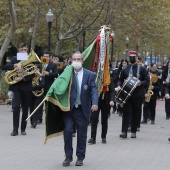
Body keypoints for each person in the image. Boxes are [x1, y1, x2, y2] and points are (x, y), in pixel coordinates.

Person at [62, 51, 98, 167]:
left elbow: (94, 91)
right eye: (75, 59)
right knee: (67, 131)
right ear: (71, 61)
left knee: (82, 135)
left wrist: (95, 103)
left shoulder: (90, 75)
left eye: (79, 59)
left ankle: (80, 157)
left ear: (82, 61)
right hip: (69, 109)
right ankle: (68, 156)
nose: (77, 61)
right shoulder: (67, 74)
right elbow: (59, 87)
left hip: (82, 110)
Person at [3, 42, 34, 136]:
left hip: (26, 87)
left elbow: (32, 73)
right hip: (16, 87)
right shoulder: (14, 59)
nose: (24, 51)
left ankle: (23, 129)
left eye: (25, 50)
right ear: (18, 50)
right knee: (16, 107)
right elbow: (5, 66)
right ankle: (15, 129)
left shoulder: (30, 59)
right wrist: (15, 65)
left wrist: (23, 77)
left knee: (25, 108)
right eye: (22, 50)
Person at [117, 51, 149, 138]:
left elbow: (147, 80)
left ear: (136, 58)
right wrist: (119, 86)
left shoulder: (141, 69)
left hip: (137, 94)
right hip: (126, 94)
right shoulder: (125, 69)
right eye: (130, 56)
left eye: (133, 57)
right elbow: (120, 80)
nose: (132, 58)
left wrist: (140, 83)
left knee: (136, 113)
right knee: (126, 113)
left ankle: (133, 131)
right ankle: (124, 131)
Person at [88, 78, 115, 144]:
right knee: (94, 119)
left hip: (105, 101)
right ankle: (93, 138)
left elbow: (112, 91)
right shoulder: (95, 78)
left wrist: (112, 100)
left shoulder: (108, 78)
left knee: (104, 120)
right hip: (96, 101)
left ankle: (103, 137)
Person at [37, 51, 58, 124]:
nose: (45, 58)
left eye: (47, 56)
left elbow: (56, 74)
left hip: (49, 86)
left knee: (48, 104)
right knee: (39, 103)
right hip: (40, 86)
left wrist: (48, 73)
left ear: (50, 58)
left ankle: (48, 118)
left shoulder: (53, 65)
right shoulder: (39, 65)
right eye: (44, 56)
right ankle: (39, 118)